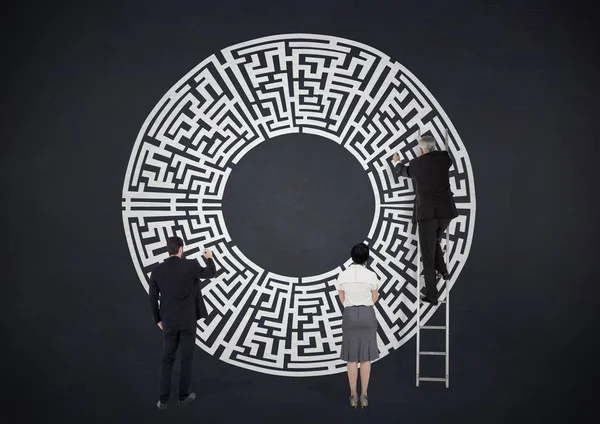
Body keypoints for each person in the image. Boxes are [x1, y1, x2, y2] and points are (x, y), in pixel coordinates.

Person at [149, 236, 217, 410]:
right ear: (181, 249)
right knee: (186, 359)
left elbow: (153, 298)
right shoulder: (191, 265)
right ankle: (183, 396)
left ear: (168, 250)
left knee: (167, 359)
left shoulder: (157, 271)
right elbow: (211, 273)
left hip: (169, 322)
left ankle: (162, 401)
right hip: (187, 321)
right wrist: (209, 257)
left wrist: (157, 319)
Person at [391, 135, 458, 305]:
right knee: (433, 242)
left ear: (420, 149)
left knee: (427, 255)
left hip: (427, 215)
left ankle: (432, 295)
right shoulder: (445, 158)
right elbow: (443, 161)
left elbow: (403, 171)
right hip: (446, 212)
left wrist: (396, 162)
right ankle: (443, 270)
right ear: (433, 147)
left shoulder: (416, 164)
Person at [336, 243, 380, 408]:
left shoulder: (343, 275)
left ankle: (353, 395)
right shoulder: (372, 275)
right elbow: (374, 298)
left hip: (350, 315)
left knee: (351, 357)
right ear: (366, 258)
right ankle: (365, 394)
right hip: (368, 314)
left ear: (352, 256)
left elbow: (342, 297)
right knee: (366, 357)